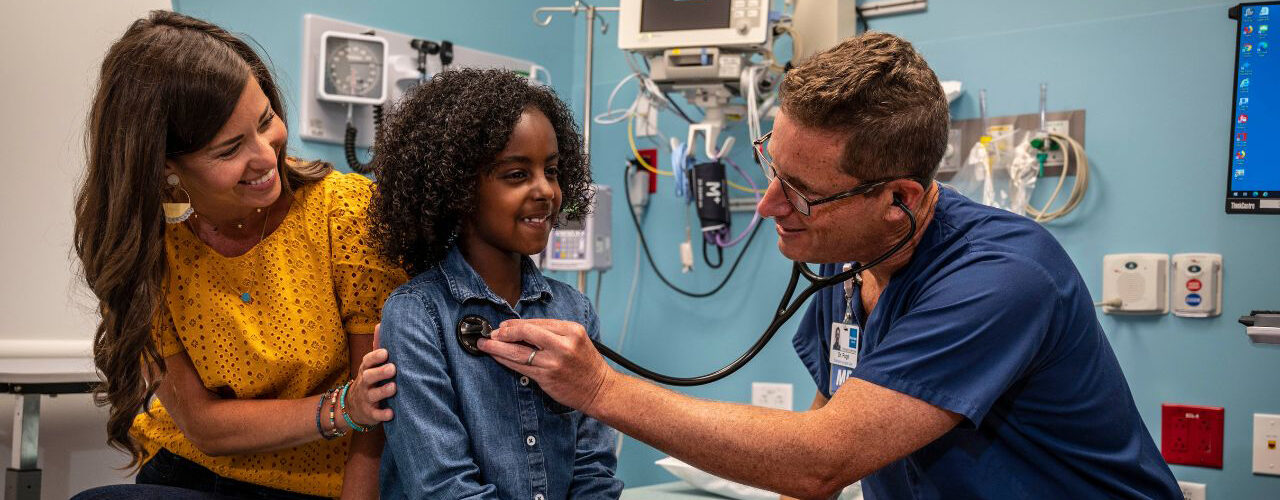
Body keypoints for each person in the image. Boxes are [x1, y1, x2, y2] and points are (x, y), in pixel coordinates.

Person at [475, 32, 1183, 499]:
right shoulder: (847, 263)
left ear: (899, 198)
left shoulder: (999, 280)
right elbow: (824, 438)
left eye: (803, 193)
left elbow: (822, 459)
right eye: (771, 168)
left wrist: (599, 388)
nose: (768, 205)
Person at [71, 11, 405, 499]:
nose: (267, 156)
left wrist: (355, 410)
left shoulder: (347, 217)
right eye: (229, 150)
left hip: (316, 485)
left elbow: (373, 424)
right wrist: (342, 407)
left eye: (266, 119)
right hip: (185, 470)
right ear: (166, 170)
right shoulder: (144, 248)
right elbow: (204, 425)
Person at [366, 68, 623, 499]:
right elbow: (444, 487)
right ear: (459, 189)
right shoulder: (417, 316)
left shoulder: (574, 314)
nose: (546, 190)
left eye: (553, 171)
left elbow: (593, 472)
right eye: (517, 174)